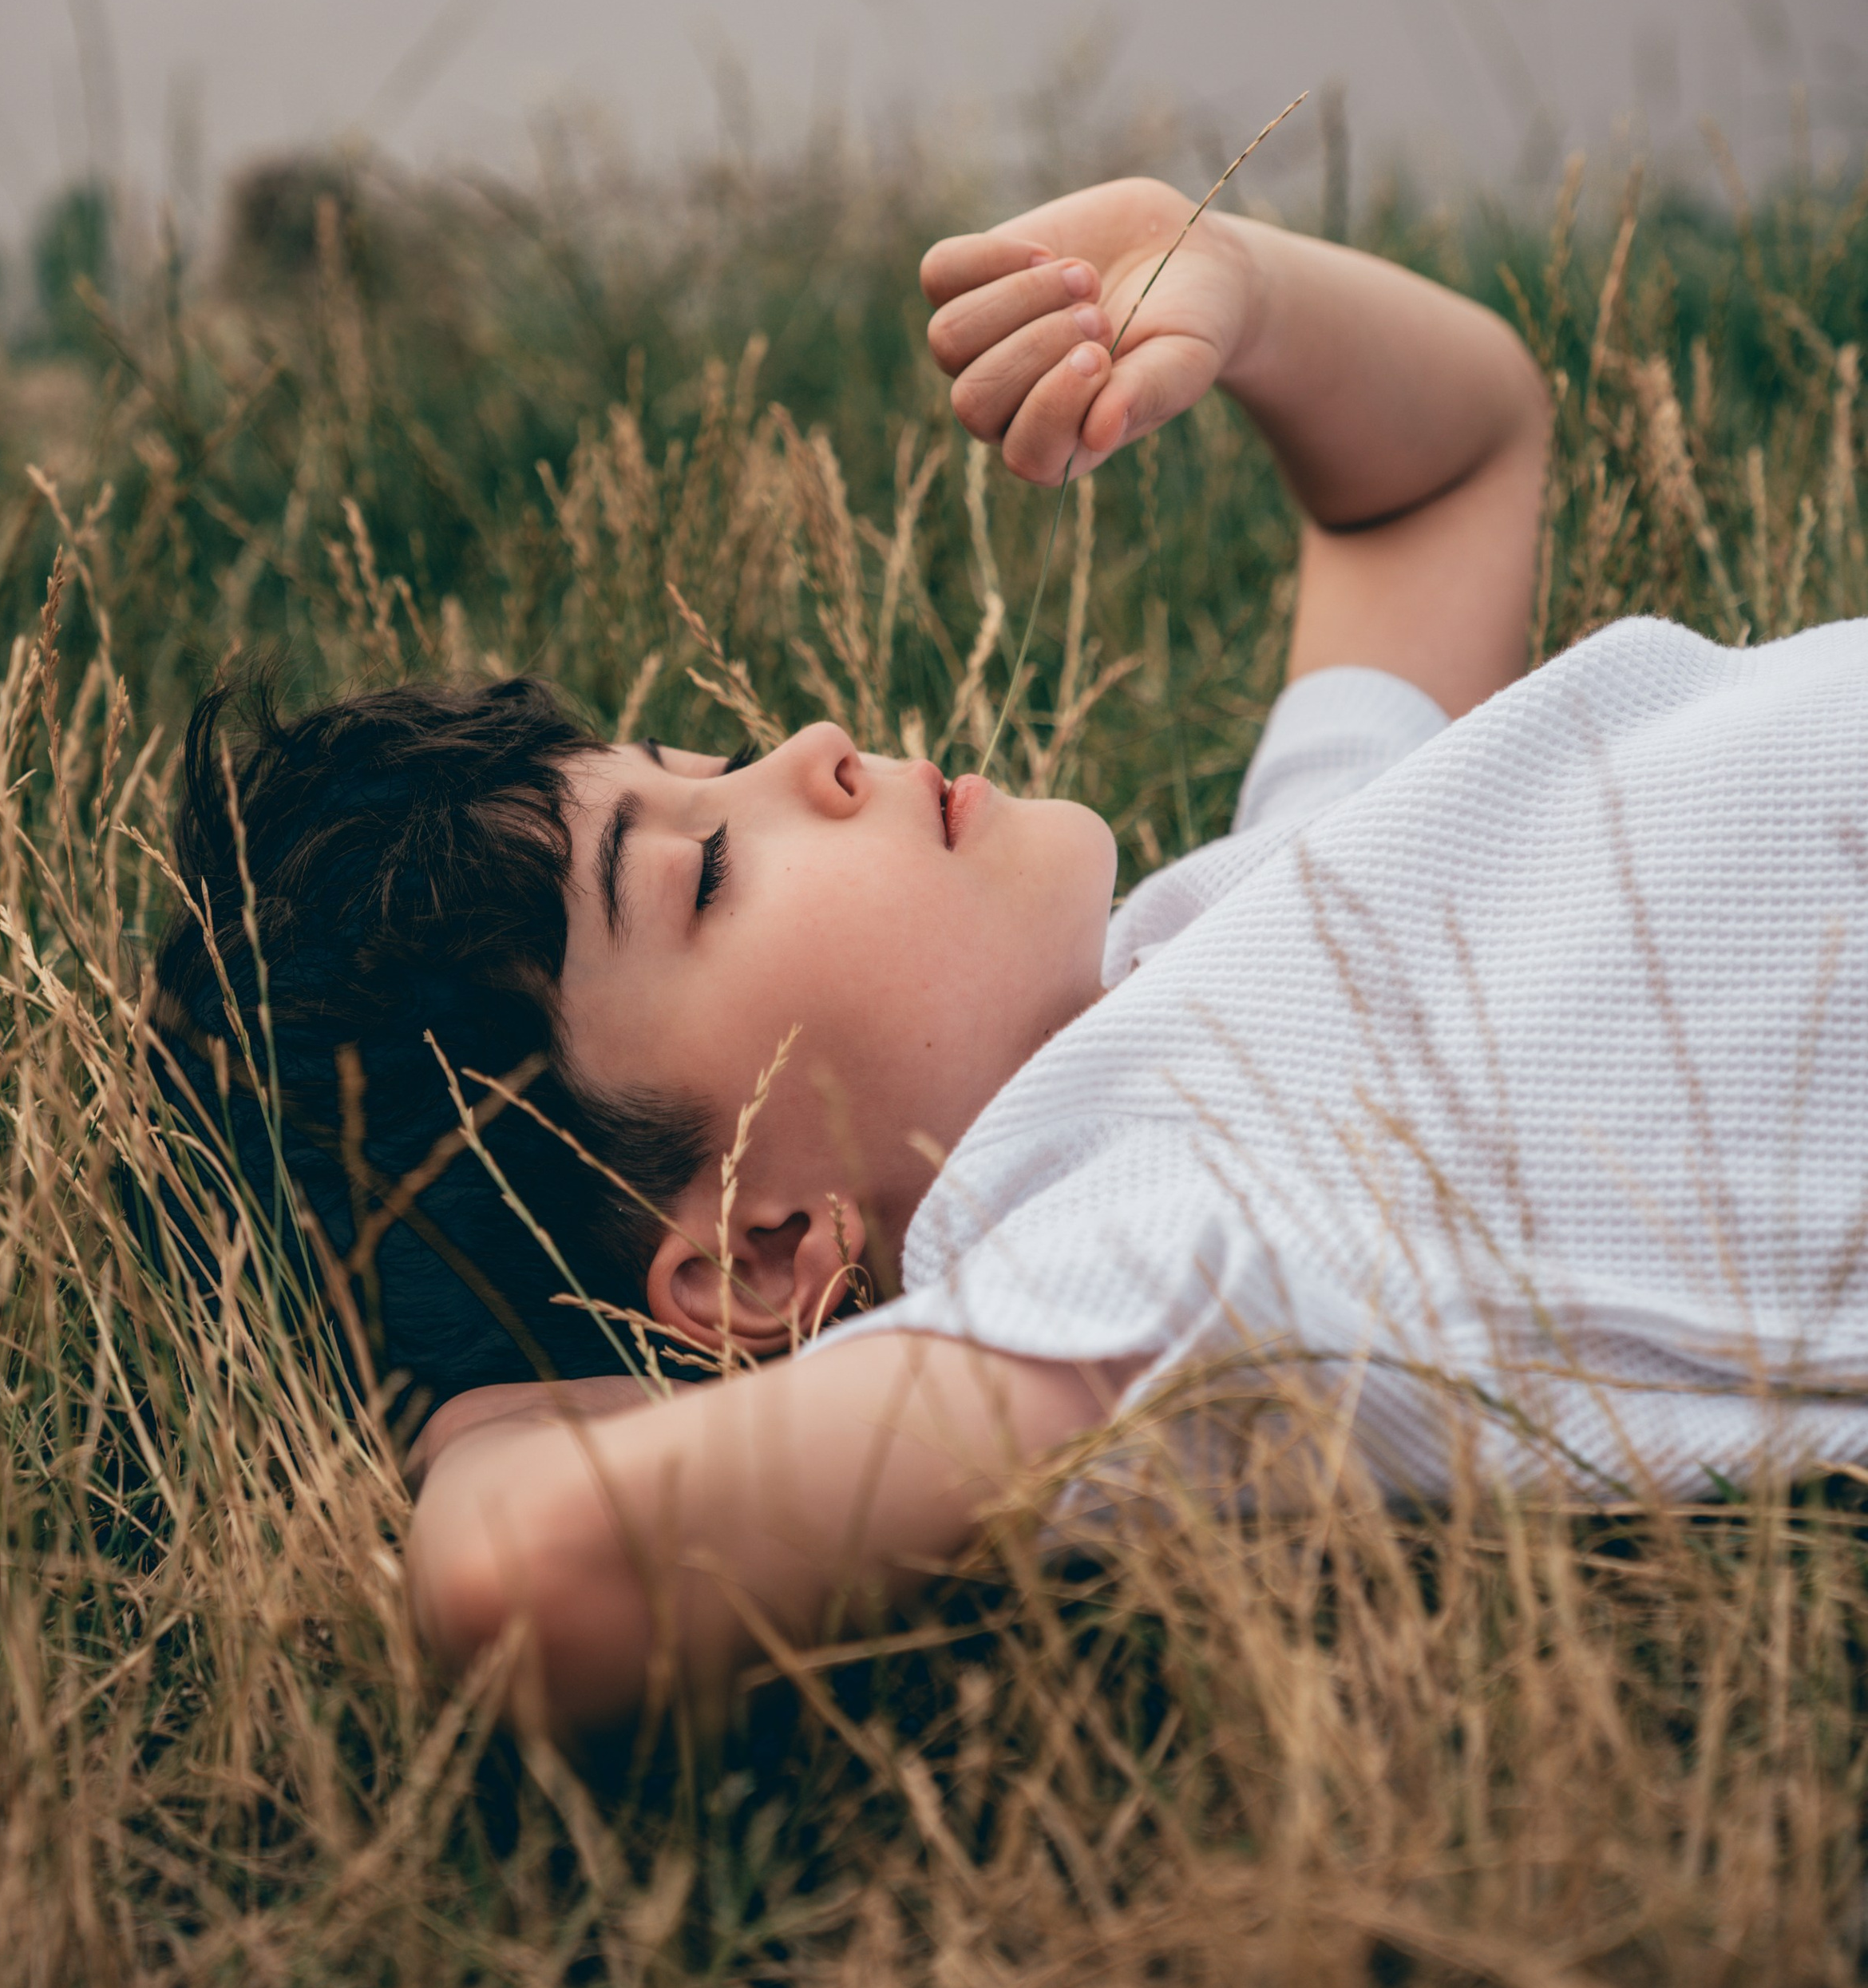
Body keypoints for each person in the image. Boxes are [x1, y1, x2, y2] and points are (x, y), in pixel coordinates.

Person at [162, 178, 1868, 1737]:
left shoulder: (1248, 899)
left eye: (705, 761)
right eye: (702, 872)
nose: (813, 745)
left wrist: (1242, 289)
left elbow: (1439, 471)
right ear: (763, 1252)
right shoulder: (1128, 1245)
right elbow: (523, 1578)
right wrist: (494, 1410)